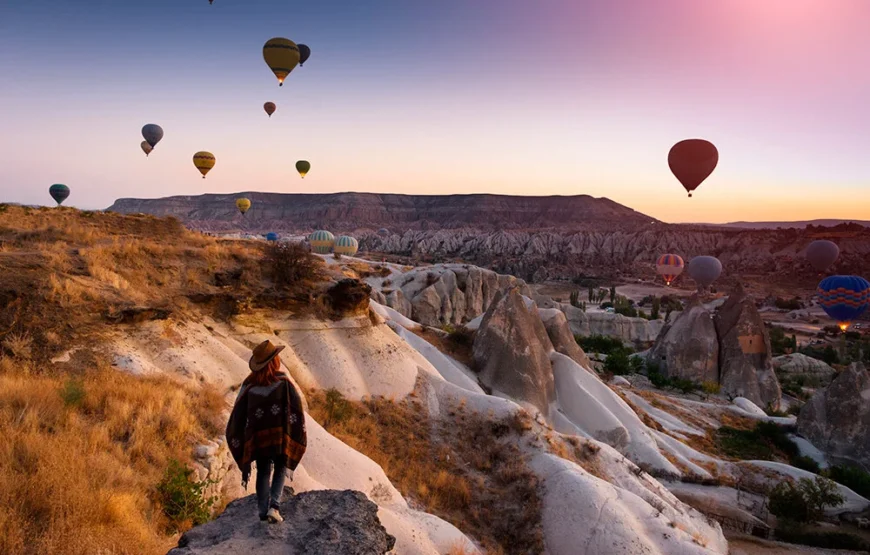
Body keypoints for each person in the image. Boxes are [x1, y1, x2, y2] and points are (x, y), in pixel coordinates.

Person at [226, 340, 307, 523]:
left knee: (263, 471)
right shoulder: (284, 382)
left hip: (259, 439)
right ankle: (274, 507)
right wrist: (294, 430)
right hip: (279, 436)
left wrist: (242, 434)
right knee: (280, 467)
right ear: (274, 361)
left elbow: (238, 413)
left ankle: (262, 512)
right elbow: (296, 408)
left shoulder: (250, 386)